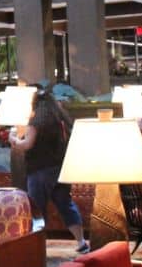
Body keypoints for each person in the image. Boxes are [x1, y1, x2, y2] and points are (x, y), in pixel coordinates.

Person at [9, 89, 88, 253]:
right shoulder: (59, 119)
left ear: (35, 103)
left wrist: (13, 138)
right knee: (66, 205)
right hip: (59, 169)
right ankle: (81, 242)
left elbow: (27, 144)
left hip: (39, 170)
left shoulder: (36, 121)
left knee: (37, 209)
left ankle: (36, 248)